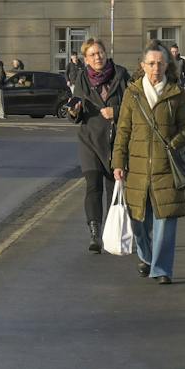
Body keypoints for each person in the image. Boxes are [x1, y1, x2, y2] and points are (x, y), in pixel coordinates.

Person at [112, 44, 185, 284]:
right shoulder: (133, 93)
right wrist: (118, 162)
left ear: (167, 66)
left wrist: (174, 143)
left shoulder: (175, 93)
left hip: (166, 168)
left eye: (160, 63)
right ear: (142, 66)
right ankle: (146, 256)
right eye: (151, 63)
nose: (155, 68)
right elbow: (123, 130)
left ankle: (161, 269)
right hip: (137, 169)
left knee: (165, 221)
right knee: (138, 222)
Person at [68, 37, 128, 252]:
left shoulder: (121, 75)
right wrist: (74, 111)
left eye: (100, 52)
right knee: (93, 185)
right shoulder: (82, 78)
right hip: (90, 140)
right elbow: (77, 107)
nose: (97, 57)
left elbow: (132, 106)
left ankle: (112, 233)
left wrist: (116, 111)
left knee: (113, 189)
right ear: (86, 59)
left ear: (106, 53)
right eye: (92, 54)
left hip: (115, 141)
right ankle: (95, 233)